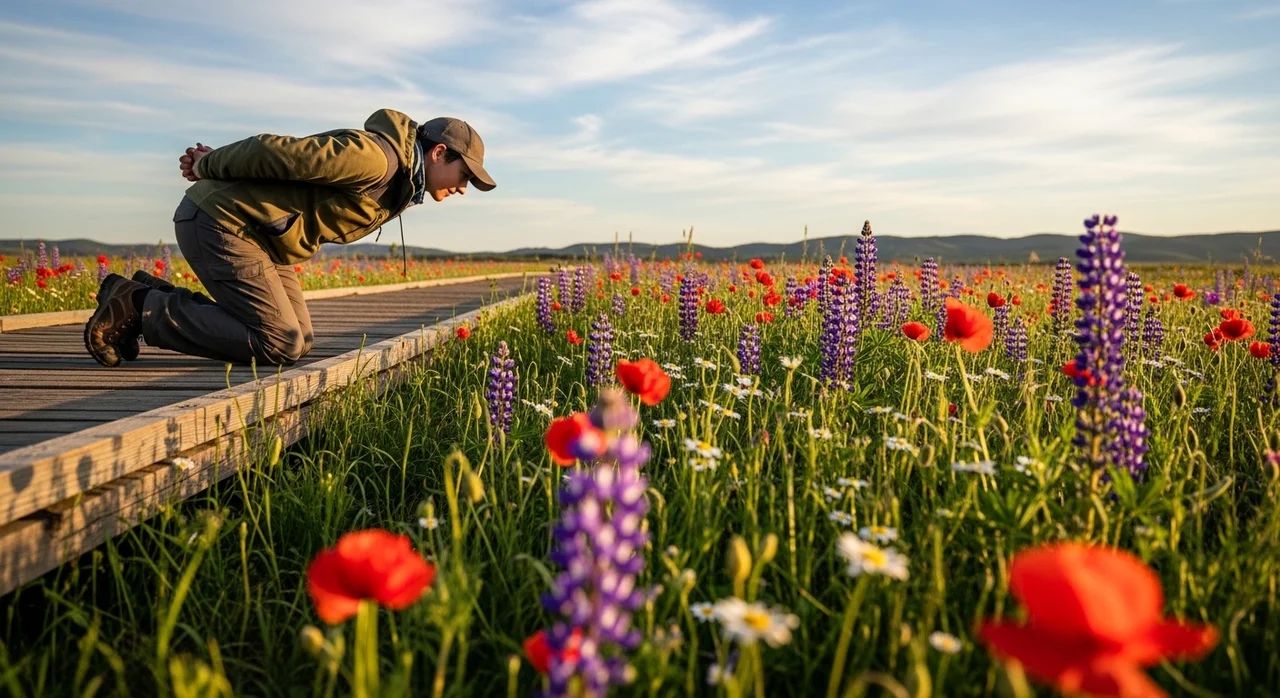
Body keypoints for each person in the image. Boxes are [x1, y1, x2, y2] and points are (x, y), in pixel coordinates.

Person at [83, 109, 495, 368]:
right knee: (279, 342)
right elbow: (275, 152)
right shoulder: (374, 159)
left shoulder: (403, 182)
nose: (463, 188)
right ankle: (137, 307)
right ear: (438, 153)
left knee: (300, 338)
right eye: (464, 176)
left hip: (260, 239)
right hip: (223, 222)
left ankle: (143, 296)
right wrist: (209, 163)